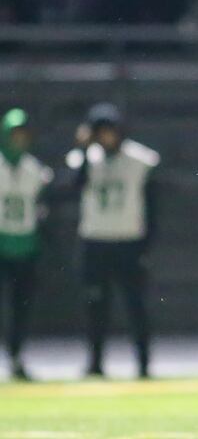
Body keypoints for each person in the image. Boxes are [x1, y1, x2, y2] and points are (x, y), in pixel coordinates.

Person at [65, 103, 160, 378]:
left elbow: (153, 206)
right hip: (95, 242)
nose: (107, 137)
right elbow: (74, 185)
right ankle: (95, 362)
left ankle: (143, 363)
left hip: (129, 242)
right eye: (101, 132)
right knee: (95, 305)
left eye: (110, 131)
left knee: (136, 305)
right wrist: (84, 150)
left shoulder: (140, 159)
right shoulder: (84, 159)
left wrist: (146, 244)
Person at [0, 108, 53, 380]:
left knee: (21, 307)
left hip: (25, 247)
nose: (19, 139)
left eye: (23, 134)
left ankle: (16, 355)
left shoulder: (35, 170)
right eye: (14, 134)